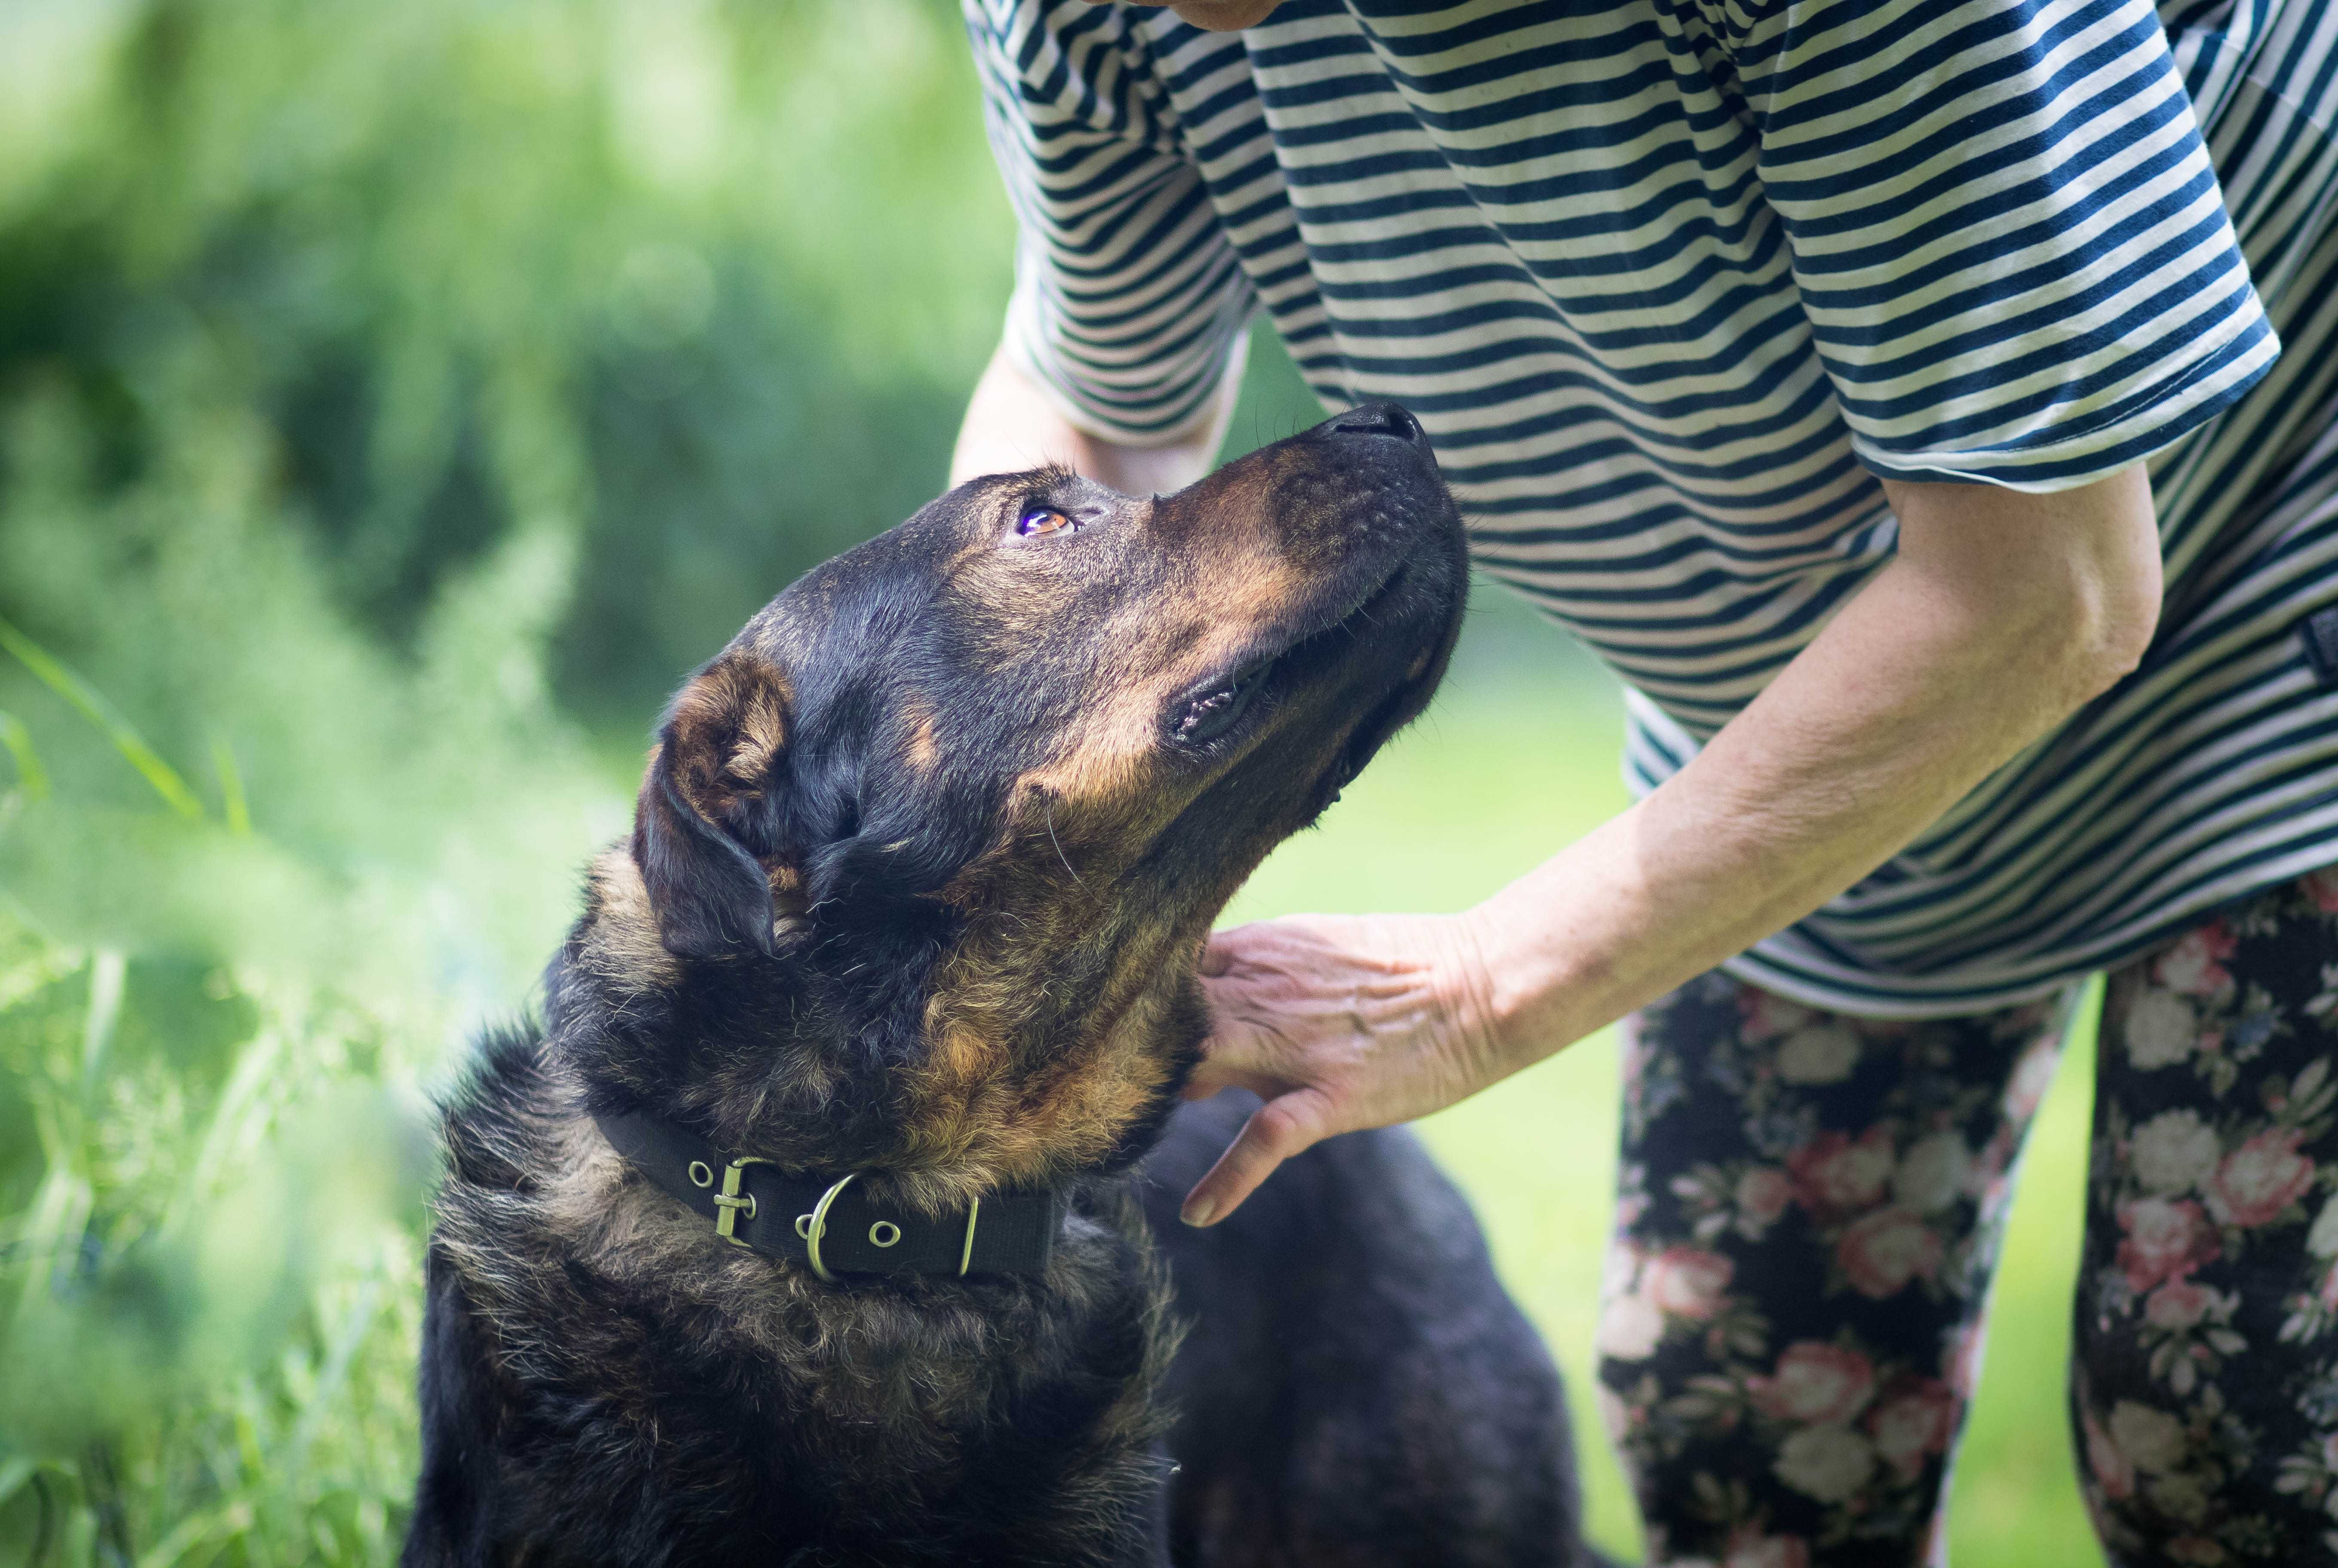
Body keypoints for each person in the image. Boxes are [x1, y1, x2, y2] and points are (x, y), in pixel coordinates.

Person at [948, 0, 2338, 1560]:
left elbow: (2048, 587)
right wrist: (965, 881)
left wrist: (1476, 987)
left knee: (2230, 1424)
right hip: (1817, 695)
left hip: (2276, 590)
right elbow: (1087, 430)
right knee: (1747, 1436)